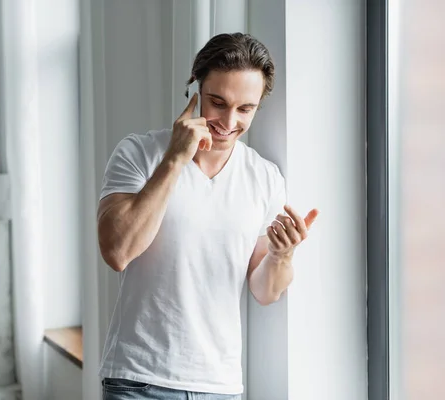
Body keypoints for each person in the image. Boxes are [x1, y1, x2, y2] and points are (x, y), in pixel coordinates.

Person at [96, 32, 319, 400]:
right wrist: (174, 159)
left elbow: (265, 291)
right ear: (194, 91)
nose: (229, 122)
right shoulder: (139, 153)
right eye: (218, 102)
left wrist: (282, 255)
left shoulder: (264, 177)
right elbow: (117, 251)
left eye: (245, 109)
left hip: (219, 386)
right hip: (138, 380)